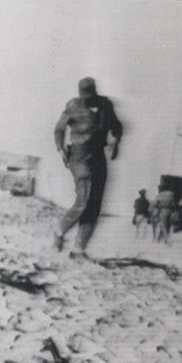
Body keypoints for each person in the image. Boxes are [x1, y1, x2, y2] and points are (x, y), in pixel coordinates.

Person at [54, 77, 123, 258]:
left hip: (98, 158)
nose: (87, 99)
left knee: (94, 206)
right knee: (83, 201)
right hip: (79, 157)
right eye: (84, 96)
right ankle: (59, 232)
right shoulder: (72, 106)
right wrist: (61, 149)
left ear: (95, 92)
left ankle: (78, 249)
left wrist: (116, 142)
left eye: (90, 95)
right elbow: (59, 129)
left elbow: (117, 127)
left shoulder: (105, 105)